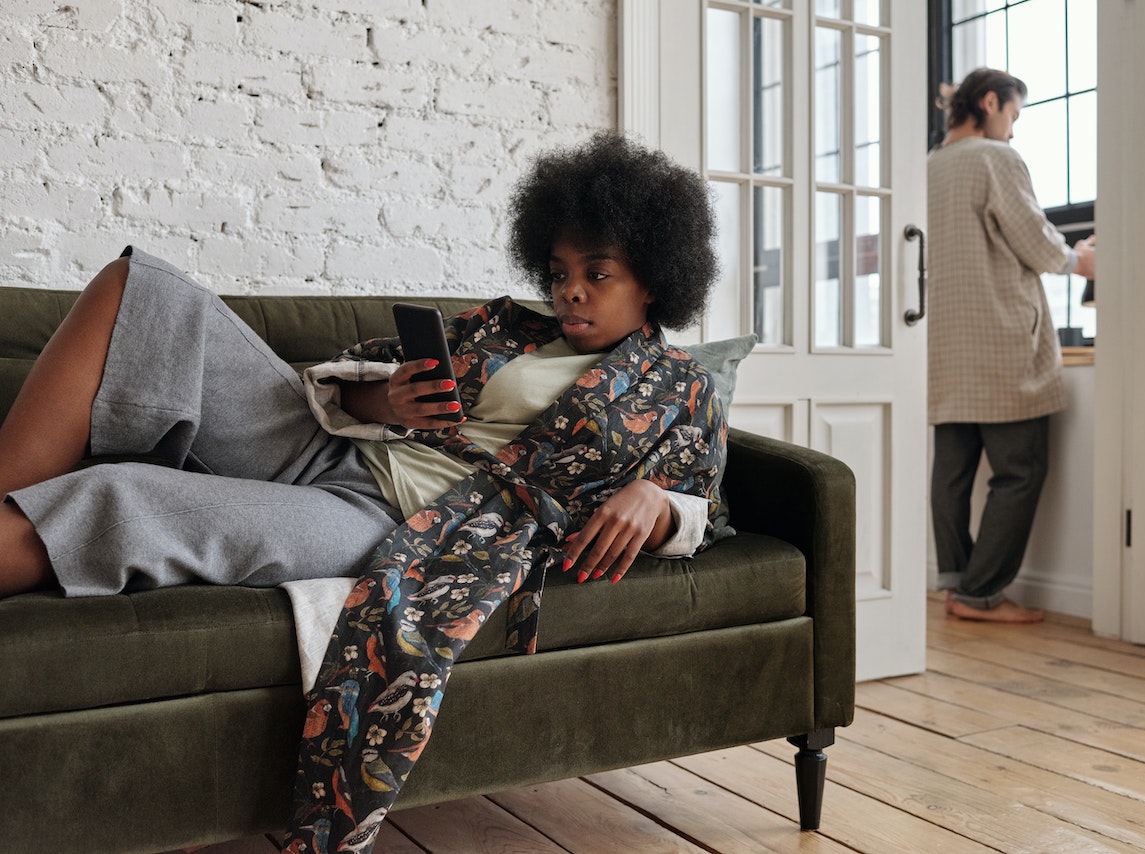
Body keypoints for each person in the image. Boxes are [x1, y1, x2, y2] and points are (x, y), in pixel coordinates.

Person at [0, 132, 726, 852]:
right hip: (328, 441)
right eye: (562, 270)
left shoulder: (681, 388)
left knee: (121, 499)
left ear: (654, 282)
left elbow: (706, 504)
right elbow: (360, 368)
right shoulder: (507, 325)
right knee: (145, 292)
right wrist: (387, 402)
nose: (570, 288)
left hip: (387, 520)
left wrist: (656, 503)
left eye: (598, 274)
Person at [927, 68, 1096, 624]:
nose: (1014, 131)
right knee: (1019, 470)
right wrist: (1078, 261)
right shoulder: (994, 160)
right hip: (1000, 343)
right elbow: (1031, 234)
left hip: (945, 346)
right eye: (1015, 116)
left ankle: (953, 581)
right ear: (991, 102)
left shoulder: (925, 168)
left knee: (952, 471)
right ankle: (979, 596)